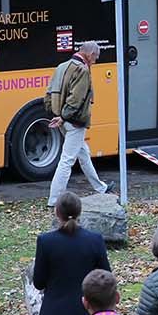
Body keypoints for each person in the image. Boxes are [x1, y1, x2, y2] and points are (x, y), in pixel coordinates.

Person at [32, 191, 110, 315]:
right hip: (89, 314)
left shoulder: (46, 241)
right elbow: (106, 277)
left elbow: (38, 282)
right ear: (80, 211)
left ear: (56, 212)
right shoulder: (94, 240)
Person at [46, 41, 113, 204]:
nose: (95, 61)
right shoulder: (82, 70)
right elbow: (77, 99)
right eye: (96, 58)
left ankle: (100, 187)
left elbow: (48, 93)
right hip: (74, 121)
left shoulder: (62, 66)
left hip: (62, 119)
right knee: (67, 160)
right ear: (90, 55)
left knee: (83, 153)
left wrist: (56, 114)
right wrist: (64, 117)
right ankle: (54, 199)